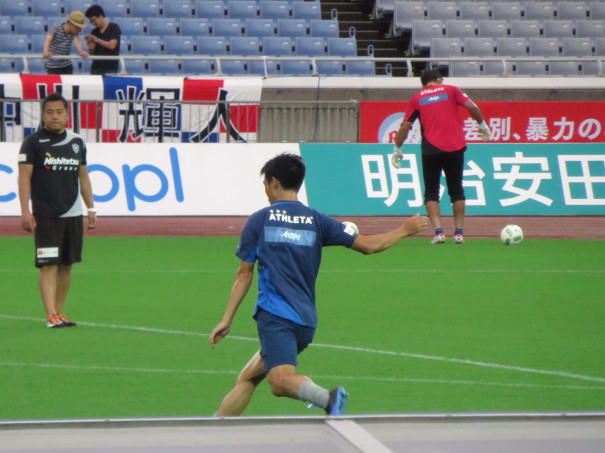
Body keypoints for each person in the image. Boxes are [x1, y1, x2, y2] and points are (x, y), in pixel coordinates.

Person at [209, 153, 427, 416]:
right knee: (249, 377)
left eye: (265, 184)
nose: (266, 191)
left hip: (275, 315)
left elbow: (244, 274)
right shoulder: (318, 220)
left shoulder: (260, 220)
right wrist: (404, 230)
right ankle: (216, 427)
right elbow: (369, 246)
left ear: (274, 182)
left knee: (279, 382)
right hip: (305, 322)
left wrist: (226, 319)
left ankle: (328, 398)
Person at [18, 93, 97, 329]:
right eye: (50, 112)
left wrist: (91, 207)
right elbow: (24, 178)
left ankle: (59, 312)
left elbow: (83, 177)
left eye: (59, 112)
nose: (55, 116)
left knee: (66, 265)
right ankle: (50, 314)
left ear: (67, 114)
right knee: (49, 265)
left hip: (73, 214)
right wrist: (25, 210)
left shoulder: (77, 142)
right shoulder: (33, 142)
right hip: (46, 215)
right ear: (43, 115)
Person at [392, 68, 492, 245]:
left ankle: (439, 233)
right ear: (439, 80)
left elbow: (405, 126)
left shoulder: (417, 98)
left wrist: (397, 149)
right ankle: (459, 233)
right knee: (457, 189)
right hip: (455, 146)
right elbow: (472, 106)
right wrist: (482, 124)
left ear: (423, 83)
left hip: (431, 149)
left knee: (431, 190)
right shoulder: (452, 90)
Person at [84, 5, 121, 75]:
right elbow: (91, 53)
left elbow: (112, 45)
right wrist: (91, 48)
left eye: (94, 20)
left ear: (101, 15)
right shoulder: (94, 31)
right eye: (91, 22)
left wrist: (97, 40)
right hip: (96, 67)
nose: (93, 23)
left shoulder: (113, 28)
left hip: (110, 68)